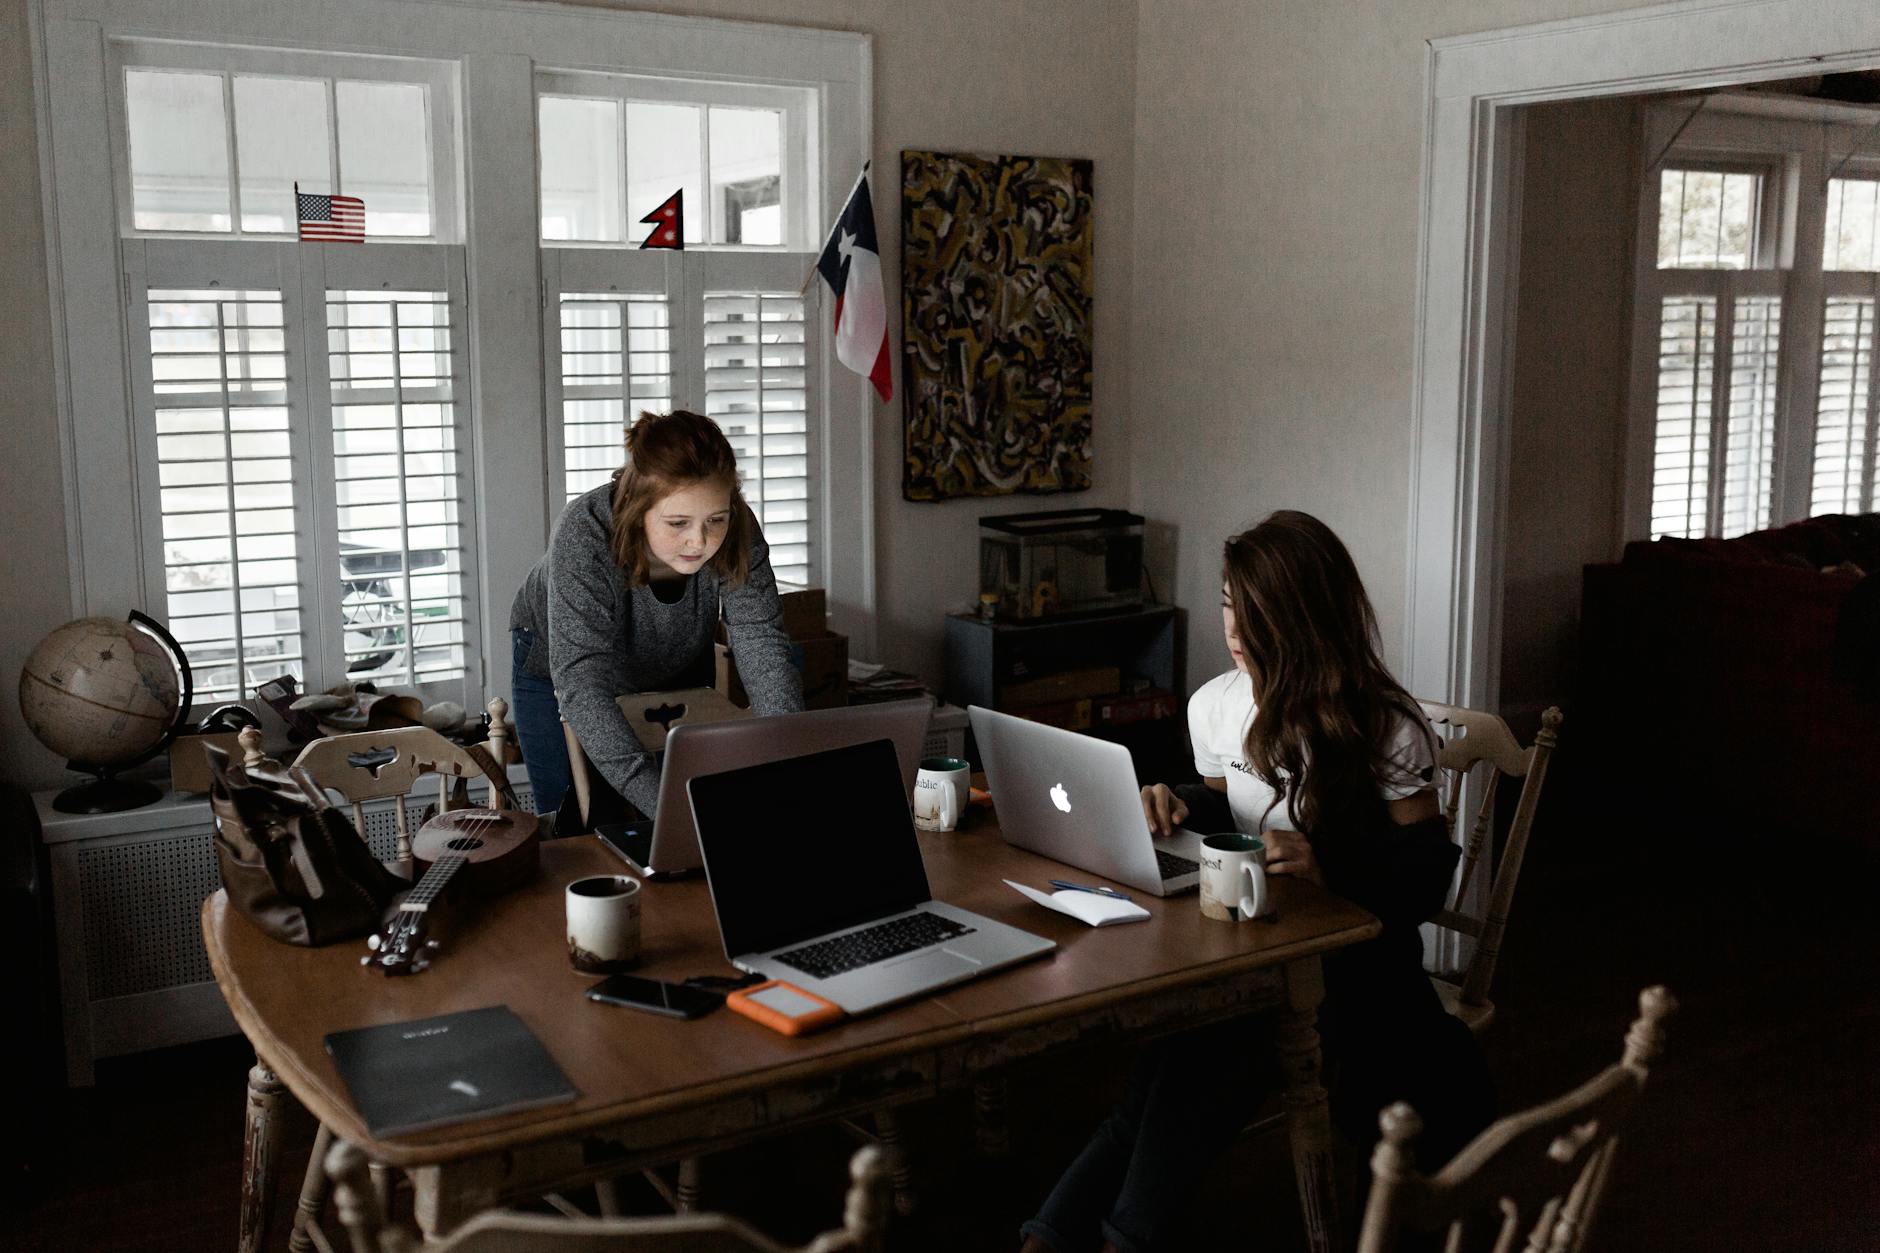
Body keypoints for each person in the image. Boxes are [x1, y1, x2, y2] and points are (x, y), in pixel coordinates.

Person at [1019, 510, 1492, 1253]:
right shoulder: (1216, 705)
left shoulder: (1384, 725)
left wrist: (1330, 861)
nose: (1234, 627)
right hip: (1252, 945)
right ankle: (1059, 1233)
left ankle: (1106, 1235)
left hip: (1353, 969)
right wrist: (1175, 800)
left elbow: (1428, 872)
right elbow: (1229, 801)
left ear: (1304, 614)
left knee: (1200, 1053)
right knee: (1169, 1065)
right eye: (1228, 601)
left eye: (1255, 609)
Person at [508, 410, 803, 818]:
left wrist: (790, 761)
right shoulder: (584, 532)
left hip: (675, 655)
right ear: (635, 507)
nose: (699, 541)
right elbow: (582, 684)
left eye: (715, 520)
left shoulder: (737, 528)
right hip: (563, 669)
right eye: (678, 522)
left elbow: (761, 641)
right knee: (572, 824)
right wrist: (665, 808)